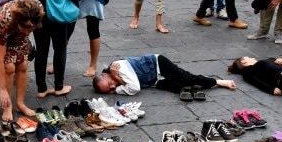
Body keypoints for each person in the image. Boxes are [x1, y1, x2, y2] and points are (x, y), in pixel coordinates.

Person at [94, 53, 236, 96]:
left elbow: (135, 88)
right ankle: (196, 87)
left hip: (158, 64)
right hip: (154, 80)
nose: (113, 86)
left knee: (187, 78)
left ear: (105, 75)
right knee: (177, 87)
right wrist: (118, 86)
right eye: (111, 89)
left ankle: (218, 82)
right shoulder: (114, 76)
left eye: (109, 84)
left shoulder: (118, 68)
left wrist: (119, 86)